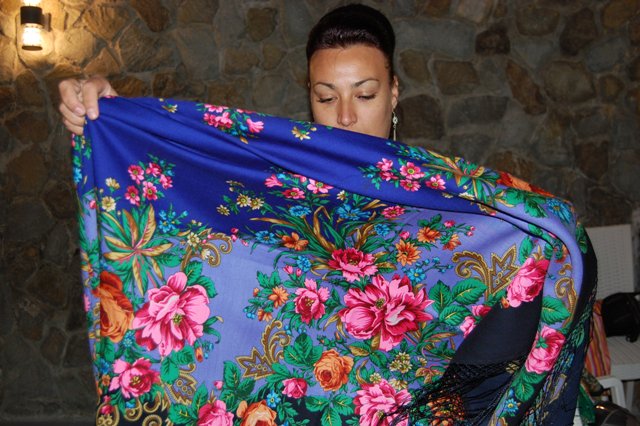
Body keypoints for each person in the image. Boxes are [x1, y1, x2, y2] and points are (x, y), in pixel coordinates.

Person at [58, 4, 399, 140]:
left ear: (393, 93)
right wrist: (110, 115)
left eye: (364, 95)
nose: (345, 117)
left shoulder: (433, 199)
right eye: (326, 97)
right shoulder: (273, 186)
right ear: (309, 96)